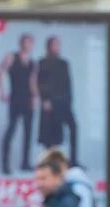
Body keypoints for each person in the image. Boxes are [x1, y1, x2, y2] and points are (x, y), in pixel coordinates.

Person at [0, 34, 37, 174]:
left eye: (30, 43)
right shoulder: (12, 57)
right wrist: (2, 91)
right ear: (21, 43)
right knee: (11, 129)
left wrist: (35, 97)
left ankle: (25, 162)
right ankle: (5, 164)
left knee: (28, 131)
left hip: (28, 99)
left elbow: (32, 82)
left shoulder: (32, 63)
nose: (28, 45)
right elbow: (0, 72)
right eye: (26, 42)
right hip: (15, 98)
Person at [35, 36, 77, 166]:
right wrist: (45, 99)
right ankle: (50, 163)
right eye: (54, 45)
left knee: (73, 127)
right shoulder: (43, 62)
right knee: (50, 133)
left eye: (58, 45)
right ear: (49, 46)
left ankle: (73, 160)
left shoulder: (64, 63)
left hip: (63, 103)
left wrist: (69, 101)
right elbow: (40, 83)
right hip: (50, 103)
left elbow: (68, 83)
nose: (56, 47)